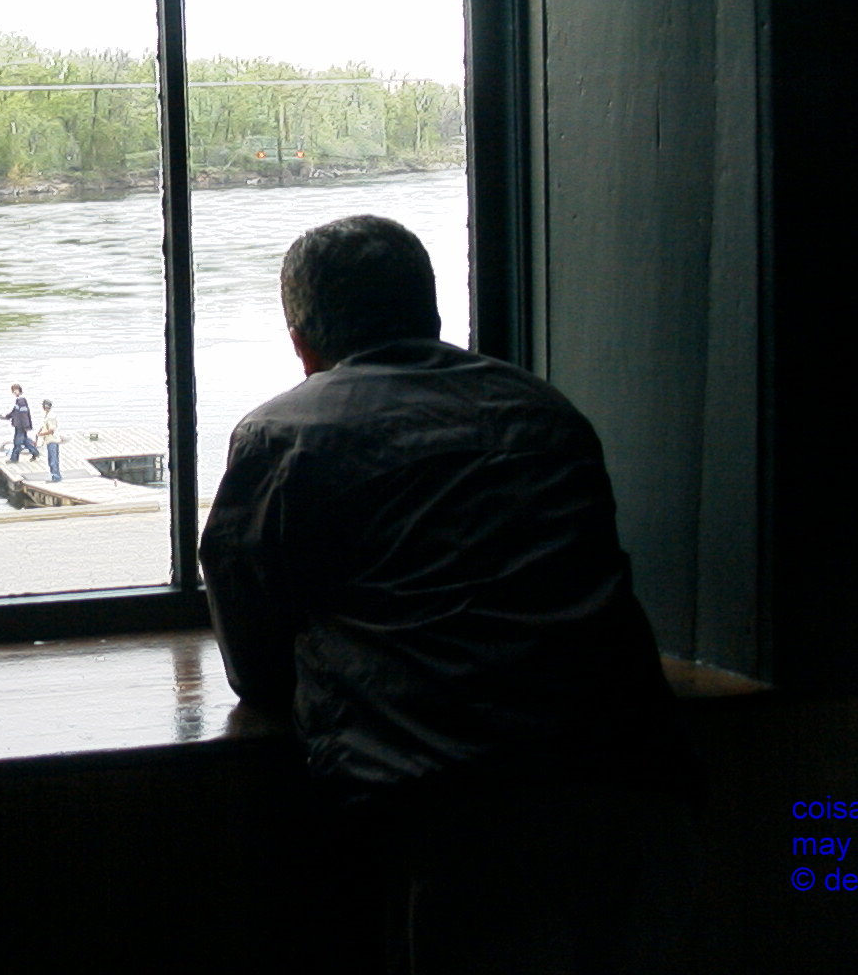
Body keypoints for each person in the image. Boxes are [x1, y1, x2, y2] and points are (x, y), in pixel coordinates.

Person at [199, 215, 700, 974]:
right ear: (432, 314)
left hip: (436, 801)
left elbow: (254, 658)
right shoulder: (542, 410)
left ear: (301, 344)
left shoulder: (284, 435)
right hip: (622, 774)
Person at [0, 384, 39, 463]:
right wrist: (6, 417)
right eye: (13, 390)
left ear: (19, 390)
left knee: (17, 442)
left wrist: (26, 426)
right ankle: (35, 452)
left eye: (16, 390)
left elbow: (24, 415)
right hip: (18, 425)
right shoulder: (18, 400)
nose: (14, 392)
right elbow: (14, 412)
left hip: (21, 426)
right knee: (25, 440)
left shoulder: (21, 400)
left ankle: (14, 459)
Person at [36, 400, 63, 481]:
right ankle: (54, 476)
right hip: (50, 440)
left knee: (53, 459)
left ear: (45, 406)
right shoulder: (48, 415)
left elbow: (51, 430)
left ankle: (56, 477)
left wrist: (41, 434)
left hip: (52, 440)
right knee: (51, 459)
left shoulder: (50, 417)